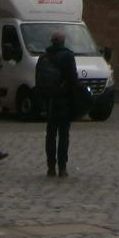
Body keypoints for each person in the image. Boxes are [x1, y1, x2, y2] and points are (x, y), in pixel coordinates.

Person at [40, 29, 79, 177]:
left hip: (50, 100)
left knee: (50, 134)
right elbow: (73, 79)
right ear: (63, 42)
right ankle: (62, 167)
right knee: (63, 134)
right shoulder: (68, 56)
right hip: (64, 101)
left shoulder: (44, 57)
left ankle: (50, 166)